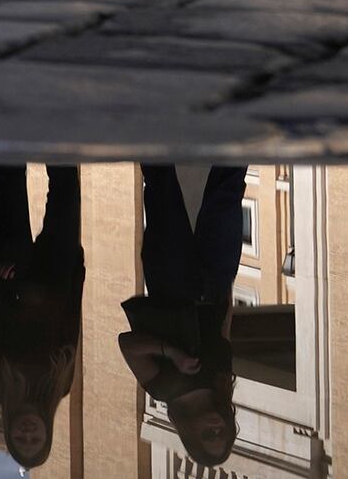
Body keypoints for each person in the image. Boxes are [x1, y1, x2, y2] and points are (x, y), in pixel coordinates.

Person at [119, 165, 244, 468]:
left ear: (190, 432)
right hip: (215, 281)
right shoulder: (221, 386)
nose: (216, 427)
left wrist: (171, 353)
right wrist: (226, 288)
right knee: (227, 191)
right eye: (222, 433)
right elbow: (223, 332)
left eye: (208, 435)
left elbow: (127, 344)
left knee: (163, 190)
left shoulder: (163, 389)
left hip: (170, 281)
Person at [0, 166, 83, 470]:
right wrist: (77, 274)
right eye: (35, 440)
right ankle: (54, 132)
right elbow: (70, 328)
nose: (27, 434)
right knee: (66, 191)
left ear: (9, 434)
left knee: (10, 183)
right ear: (46, 433)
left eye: (20, 440)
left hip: (12, 277)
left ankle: (12, 125)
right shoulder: (59, 387)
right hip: (57, 275)